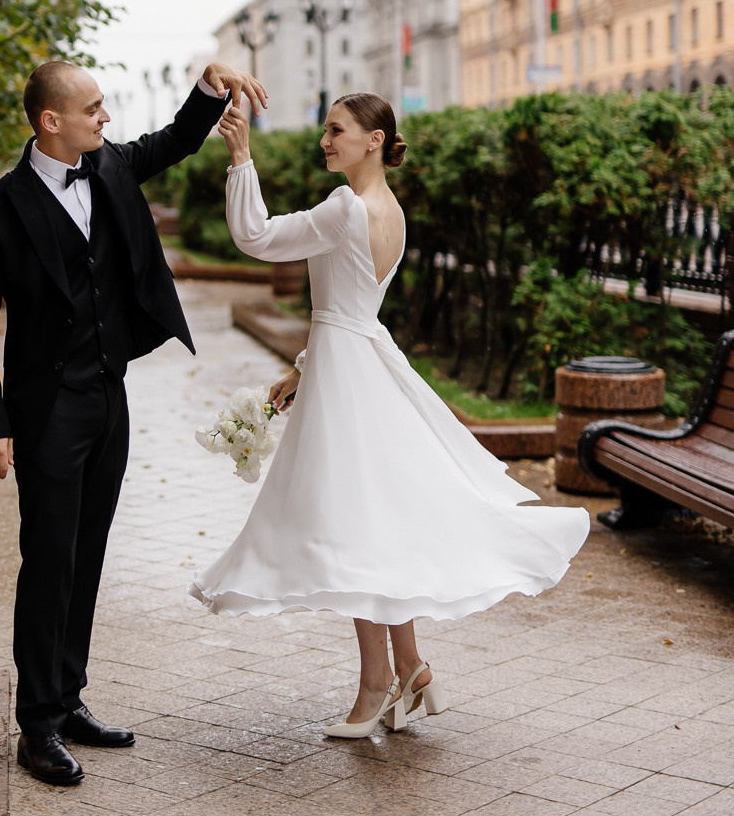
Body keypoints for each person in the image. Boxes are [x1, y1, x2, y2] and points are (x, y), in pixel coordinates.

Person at [192, 92, 589, 738]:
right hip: (360, 368)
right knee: (374, 525)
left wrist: (240, 156)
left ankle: (376, 685)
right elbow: (350, 310)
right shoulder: (392, 212)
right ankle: (411, 668)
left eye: (337, 130)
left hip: (349, 380)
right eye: (326, 129)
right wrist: (303, 368)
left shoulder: (343, 207)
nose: (326, 140)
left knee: (356, 532)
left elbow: (255, 236)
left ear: (374, 139)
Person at [0, 58, 266, 785]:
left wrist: (210, 87)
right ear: (51, 122)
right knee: (49, 559)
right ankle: (36, 725)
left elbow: (177, 139)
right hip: (45, 409)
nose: (105, 117)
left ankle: (68, 701)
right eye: (92, 108)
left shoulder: (112, 167)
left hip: (107, 396)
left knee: (88, 551)